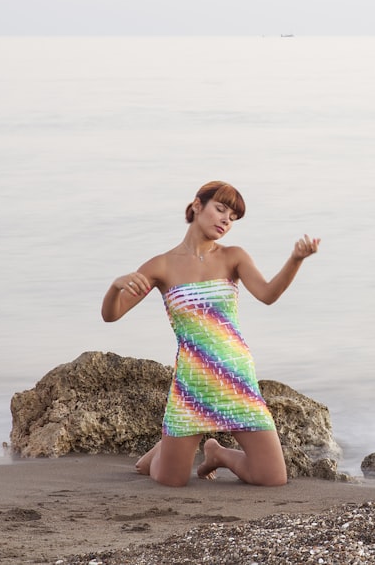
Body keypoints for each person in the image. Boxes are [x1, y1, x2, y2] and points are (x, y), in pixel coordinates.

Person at [101, 181, 320, 487]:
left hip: (236, 377)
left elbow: (268, 294)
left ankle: (217, 453)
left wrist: (296, 260)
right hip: (192, 384)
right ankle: (161, 451)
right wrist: (116, 286)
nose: (226, 220)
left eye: (233, 217)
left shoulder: (234, 257)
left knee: (271, 477)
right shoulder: (161, 265)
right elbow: (112, 315)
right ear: (196, 206)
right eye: (220, 209)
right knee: (171, 481)